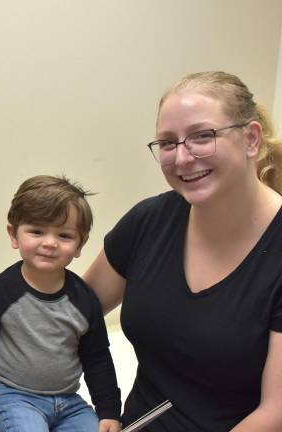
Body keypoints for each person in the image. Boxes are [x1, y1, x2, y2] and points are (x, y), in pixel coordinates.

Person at [83, 71, 282, 431]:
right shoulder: (149, 221)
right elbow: (66, 316)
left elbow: (275, 412)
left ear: (251, 139)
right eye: (167, 143)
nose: (182, 158)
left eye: (203, 136)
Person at [0, 175, 122, 432]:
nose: (50, 243)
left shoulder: (84, 300)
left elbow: (97, 358)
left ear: (80, 243)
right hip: (10, 395)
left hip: (69, 403)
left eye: (64, 235)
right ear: (14, 234)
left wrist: (109, 412)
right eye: (37, 231)